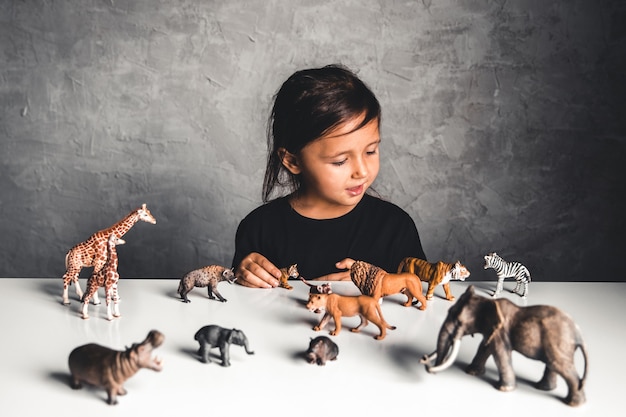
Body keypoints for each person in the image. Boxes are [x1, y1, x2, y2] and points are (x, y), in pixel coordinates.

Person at [232, 64, 426, 288]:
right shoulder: (260, 228)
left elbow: (422, 297)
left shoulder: (395, 227)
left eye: (371, 151)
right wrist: (244, 275)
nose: (362, 171)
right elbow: (239, 305)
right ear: (293, 161)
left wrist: (382, 283)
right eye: (340, 161)